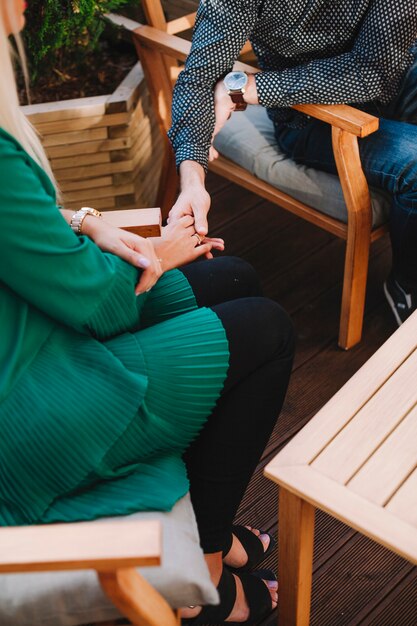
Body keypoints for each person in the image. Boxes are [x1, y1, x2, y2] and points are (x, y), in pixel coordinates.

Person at [0, 1, 295, 623]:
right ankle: (207, 567)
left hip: (34, 334)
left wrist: (85, 222)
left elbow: (23, 232)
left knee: (234, 276)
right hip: (30, 411)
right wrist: (159, 250)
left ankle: (209, 524)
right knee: (267, 330)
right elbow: (102, 308)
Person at [169, 0, 417, 327]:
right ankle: (406, 285)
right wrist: (192, 178)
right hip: (309, 122)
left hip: (398, 74)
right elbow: (201, 77)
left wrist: (246, 89)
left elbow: (374, 72)